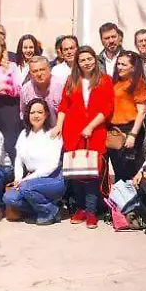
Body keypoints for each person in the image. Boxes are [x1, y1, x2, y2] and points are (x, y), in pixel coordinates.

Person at [51, 45, 114, 229]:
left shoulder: (105, 80)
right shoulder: (72, 80)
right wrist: (59, 126)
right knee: (76, 173)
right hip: (73, 133)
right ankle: (80, 209)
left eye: (89, 58)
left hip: (95, 133)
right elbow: (63, 106)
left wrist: (91, 126)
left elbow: (107, 108)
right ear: (77, 63)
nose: (86, 62)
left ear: (95, 59)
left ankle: (92, 212)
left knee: (92, 174)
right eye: (82, 60)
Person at [2, 98, 65, 225]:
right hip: (30, 178)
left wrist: (26, 180)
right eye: (32, 112)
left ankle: (51, 211)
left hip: (53, 178)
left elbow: (52, 165)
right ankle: (40, 210)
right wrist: (18, 177)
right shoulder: (23, 134)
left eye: (40, 112)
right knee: (9, 198)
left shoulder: (53, 133)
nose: (36, 115)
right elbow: (18, 159)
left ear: (46, 114)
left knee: (26, 188)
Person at [107, 51, 146, 183]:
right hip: (114, 130)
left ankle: (136, 202)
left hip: (130, 130)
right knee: (119, 171)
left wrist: (132, 135)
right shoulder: (115, 83)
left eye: (124, 64)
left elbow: (141, 112)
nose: (119, 67)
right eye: (118, 64)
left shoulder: (139, 84)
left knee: (131, 172)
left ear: (133, 67)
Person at [19, 56, 64, 126]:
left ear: (49, 69)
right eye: (35, 71)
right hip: (36, 132)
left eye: (42, 69)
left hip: (60, 131)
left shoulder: (61, 86)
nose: (39, 74)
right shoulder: (25, 90)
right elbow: (23, 114)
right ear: (30, 73)